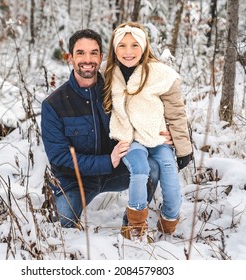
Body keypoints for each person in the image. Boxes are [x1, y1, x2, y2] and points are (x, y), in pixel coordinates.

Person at [40, 29, 171, 229]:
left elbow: (146, 113)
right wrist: (106, 161)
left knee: (151, 168)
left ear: (101, 58)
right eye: (80, 53)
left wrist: (163, 134)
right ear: (70, 58)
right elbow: (60, 158)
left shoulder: (116, 90)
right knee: (61, 223)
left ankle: (133, 224)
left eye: (94, 53)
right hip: (76, 180)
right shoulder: (54, 104)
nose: (87, 59)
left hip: (115, 171)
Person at [101, 22, 193, 241]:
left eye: (134, 45)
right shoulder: (108, 72)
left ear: (144, 47)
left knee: (170, 178)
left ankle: (169, 221)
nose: (128, 51)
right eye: (122, 45)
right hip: (129, 139)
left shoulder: (160, 74)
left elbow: (176, 113)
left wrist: (183, 147)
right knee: (140, 170)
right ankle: (135, 224)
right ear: (114, 48)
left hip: (158, 137)